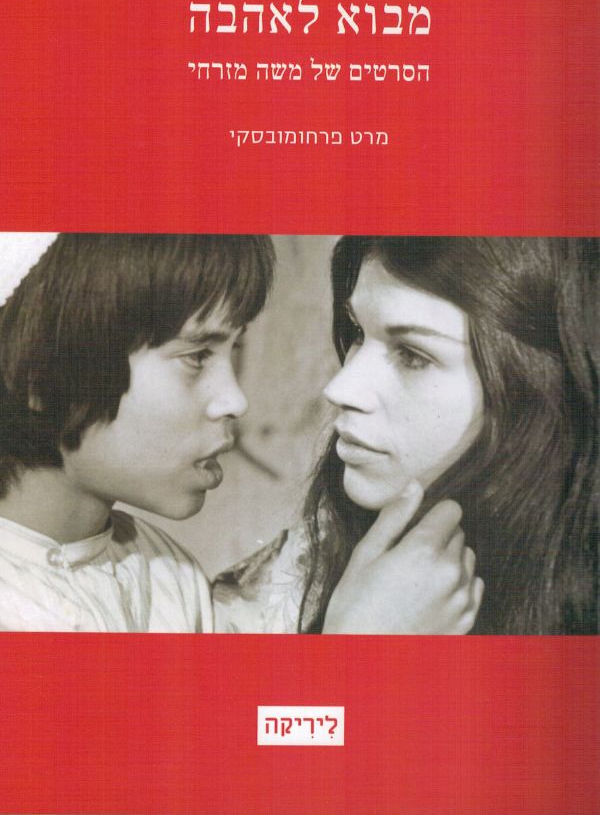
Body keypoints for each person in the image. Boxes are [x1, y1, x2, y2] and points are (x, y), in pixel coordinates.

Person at [0, 233, 480, 633]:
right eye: (197, 357)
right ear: (45, 376)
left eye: (233, 354)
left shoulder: (170, 576)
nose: (235, 400)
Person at [296, 237, 598, 635]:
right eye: (356, 332)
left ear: (534, 387)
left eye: (413, 355)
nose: (341, 388)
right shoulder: (265, 595)